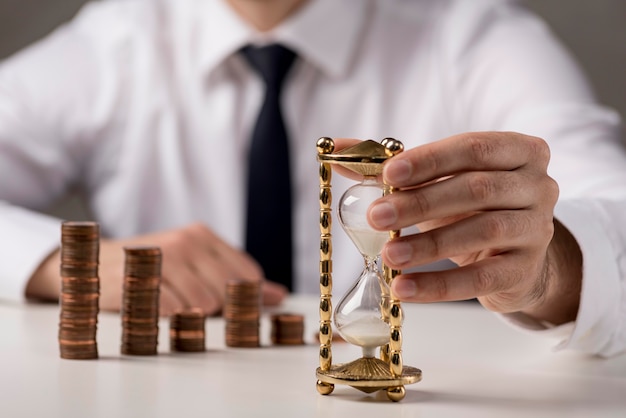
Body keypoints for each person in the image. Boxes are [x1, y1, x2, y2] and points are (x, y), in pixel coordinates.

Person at [0, 0, 624, 358]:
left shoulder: (474, 37)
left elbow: (612, 208)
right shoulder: (116, 42)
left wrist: (551, 266)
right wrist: (64, 263)